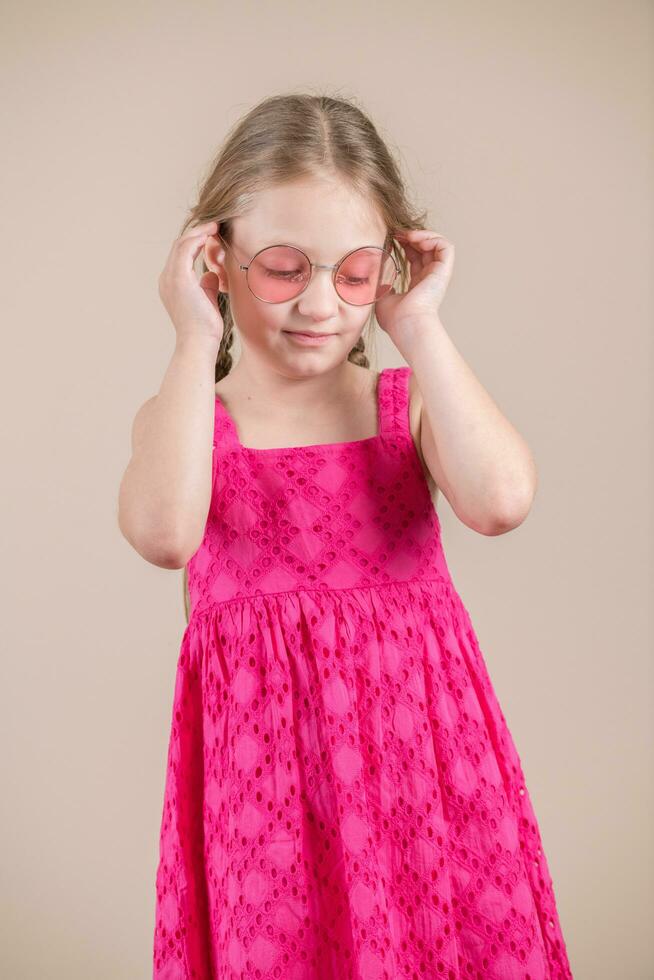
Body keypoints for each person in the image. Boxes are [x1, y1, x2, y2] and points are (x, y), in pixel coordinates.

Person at [118, 92, 573, 979]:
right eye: (285, 268)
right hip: (269, 795)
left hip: (422, 771)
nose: (321, 303)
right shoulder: (188, 424)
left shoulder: (404, 409)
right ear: (217, 257)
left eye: (355, 273)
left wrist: (422, 326)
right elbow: (166, 536)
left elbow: (502, 500)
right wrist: (189, 337)